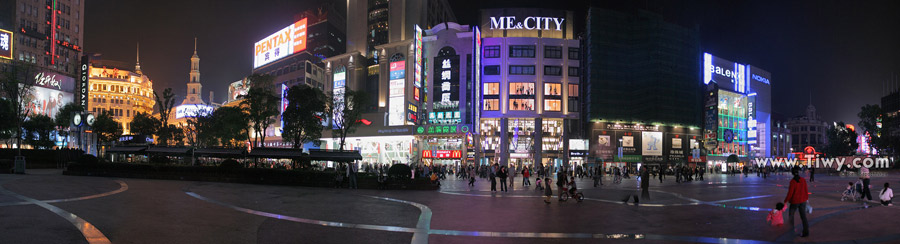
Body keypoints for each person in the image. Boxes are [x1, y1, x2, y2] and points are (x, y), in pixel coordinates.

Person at [784, 166, 810, 237]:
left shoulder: (792, 181)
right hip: (803, 200)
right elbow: (806, 190)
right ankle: (806, 232)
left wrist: (785, 201)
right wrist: (806, 198)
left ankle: (791, 231)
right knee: (803, 216)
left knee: (791, 216)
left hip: (795, 201)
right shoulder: (803, 180)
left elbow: (790, 193)